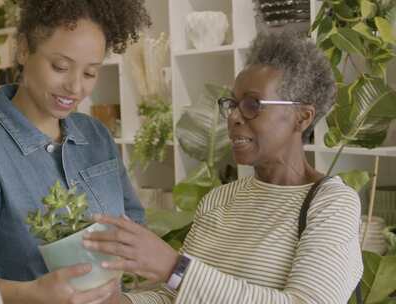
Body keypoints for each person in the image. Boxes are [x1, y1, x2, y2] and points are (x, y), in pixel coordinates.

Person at [83, 32, 363, 303]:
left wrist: (173, 267)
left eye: (253, 104)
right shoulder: (220, 200)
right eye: (232, 104)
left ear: (302, 117)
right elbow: (175, 297)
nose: (233, 118)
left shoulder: (332, 204)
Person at [0, 0, 151, 303]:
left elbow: (134, 226)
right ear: (24, 49)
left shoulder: (96, 136)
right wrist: (31, 294)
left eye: (90, 73)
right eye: (60, 67)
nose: (75, 87)